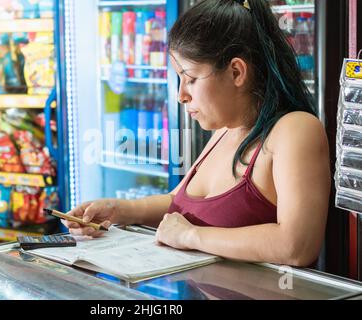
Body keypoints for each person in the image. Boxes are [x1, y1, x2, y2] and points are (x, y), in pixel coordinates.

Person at [64, 0, 330, 267]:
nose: (181, 95)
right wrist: (118, 210)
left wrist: (191, 235)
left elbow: (296, 246)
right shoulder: (224, 132)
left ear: (236, 72)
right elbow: (177, 204)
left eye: (190, 78)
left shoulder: (295, 130)